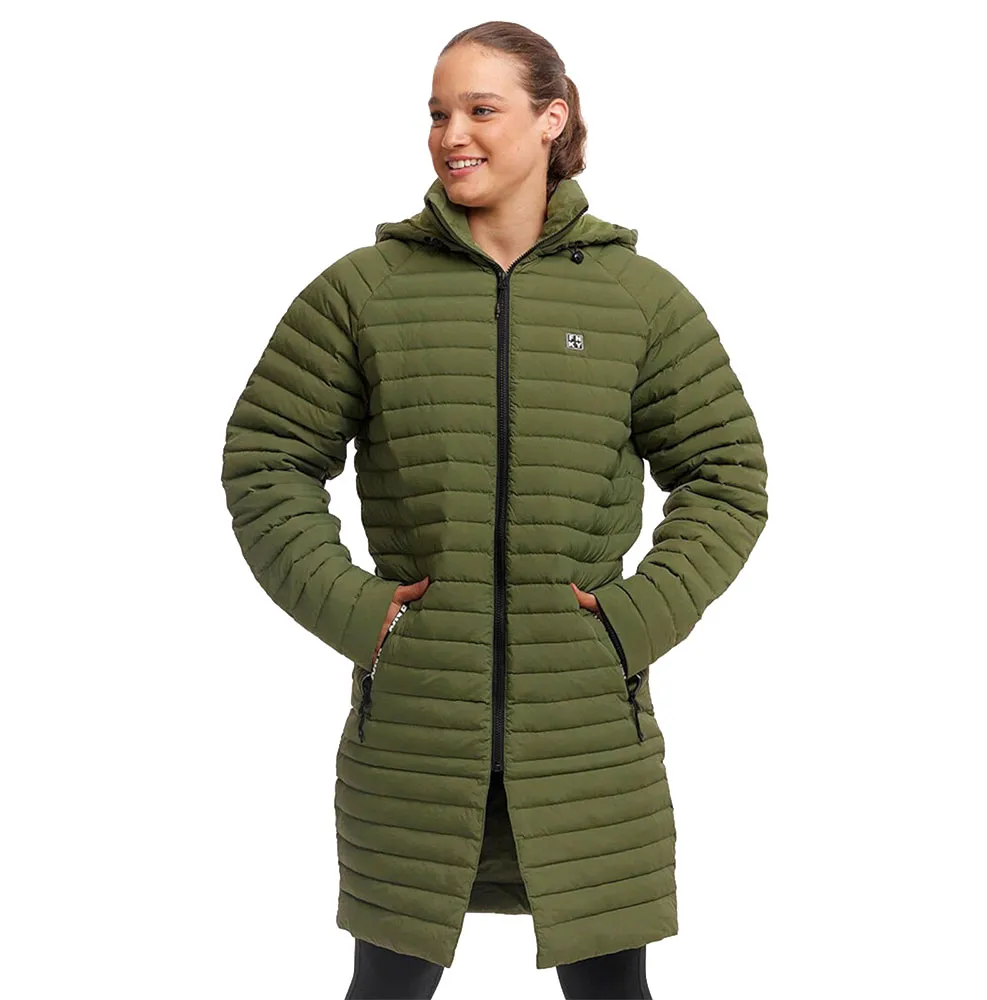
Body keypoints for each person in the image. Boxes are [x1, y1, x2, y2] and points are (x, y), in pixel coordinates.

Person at [221, 19, 768, 1000]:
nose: (452, 134)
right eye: (438, 113)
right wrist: (362, 613)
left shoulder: (639, 301)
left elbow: (727, 474)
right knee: (385, 989)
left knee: (613, 990)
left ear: (551, 120)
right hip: (417, 726)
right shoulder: (364, 294)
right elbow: (266, 463)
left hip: (587, 728)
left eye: (481, 108)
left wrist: (633, 622)